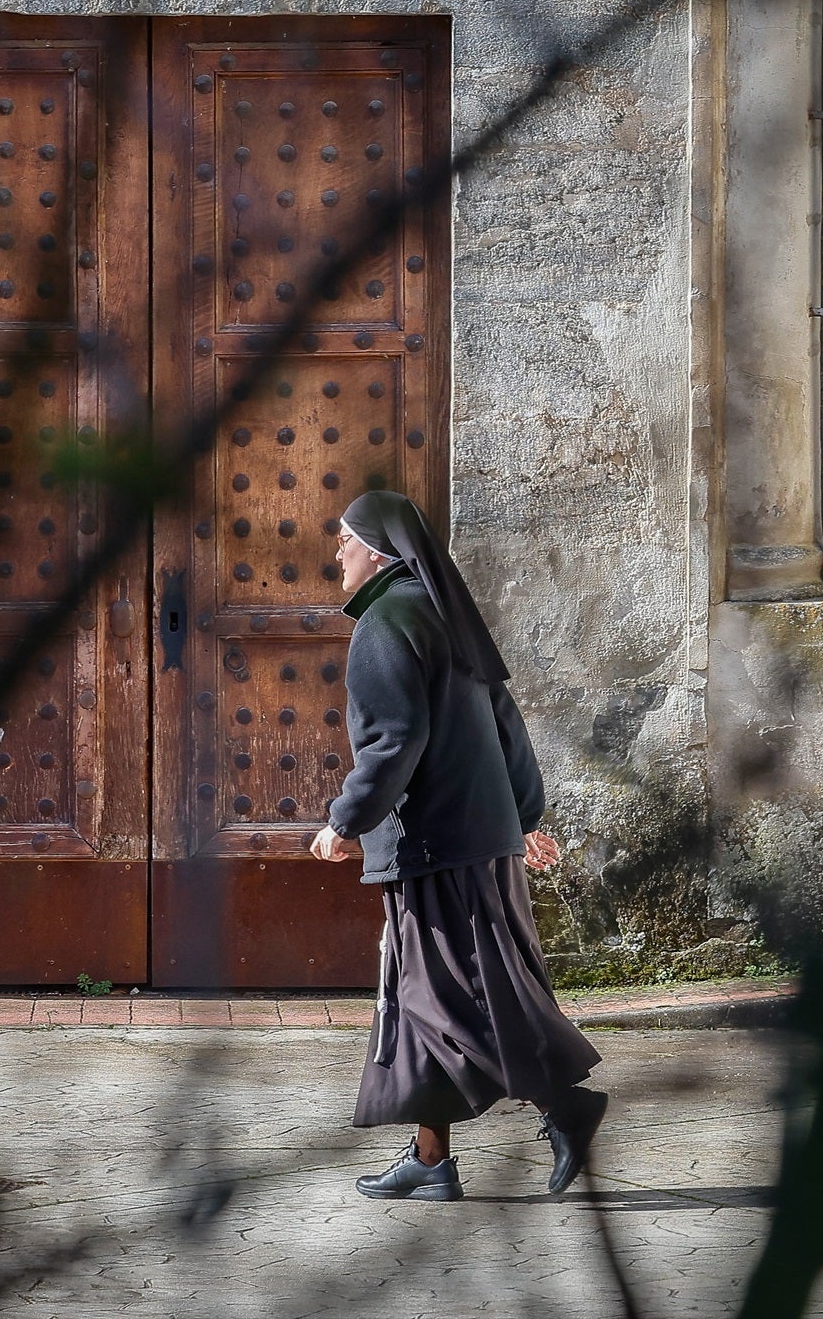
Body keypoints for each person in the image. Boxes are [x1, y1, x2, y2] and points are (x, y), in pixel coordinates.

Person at [309, 490, 607, 1202]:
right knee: (423, 998)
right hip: (483, 839)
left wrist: (345, 819)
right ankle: (431, 1156)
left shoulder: (385, 622)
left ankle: (564, 1102)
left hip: (436, 848)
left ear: (376, 551)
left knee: (458, 997)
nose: (337, 553)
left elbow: (395, 740)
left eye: (345, 540)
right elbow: (508, 724)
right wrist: (525, 816)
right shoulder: (444, 614)